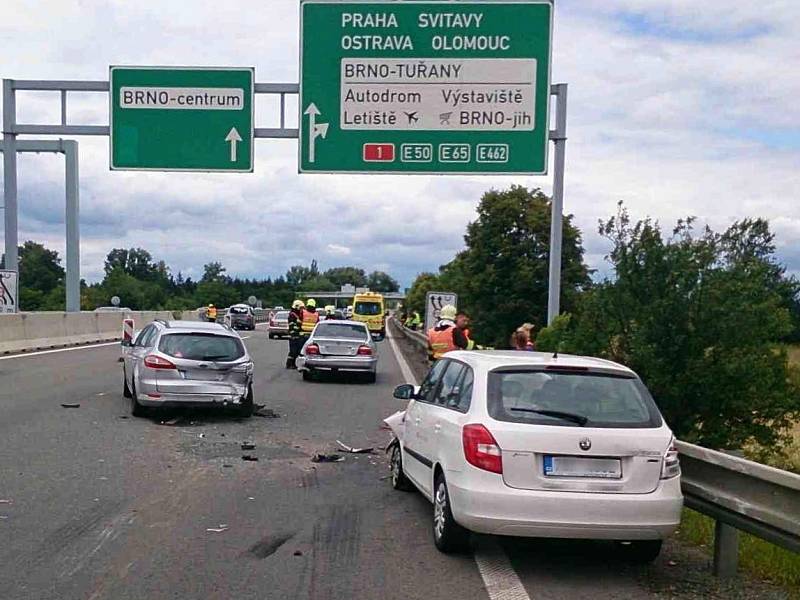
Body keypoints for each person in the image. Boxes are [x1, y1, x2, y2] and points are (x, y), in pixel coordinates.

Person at [286, 300, 304, 369]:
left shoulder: (296, 314)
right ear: (297, 307)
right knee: (293, 351)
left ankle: (292, 364)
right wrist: (298, 327)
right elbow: (292, 326)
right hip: (293, 335)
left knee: (295, 351)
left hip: (296, 335)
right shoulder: (292, 315)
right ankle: (289, 364)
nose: (302, 309)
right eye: (301, 308)